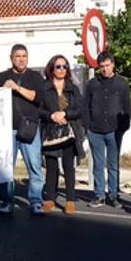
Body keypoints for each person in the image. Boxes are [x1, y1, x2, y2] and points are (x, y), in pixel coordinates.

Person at [0, 44, 46, 215]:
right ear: (11, 58)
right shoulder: (1, 77)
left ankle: (36, 200)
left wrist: (17, 88)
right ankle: (7, 201)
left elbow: (38, 98)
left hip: (30, 128)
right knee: (6, 168)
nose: (21, 59)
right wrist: (3, 89)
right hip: (7, 129)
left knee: (35, 167)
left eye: (24, 56)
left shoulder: (36, 77)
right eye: (17, 56)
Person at [38, 54, 86, 215]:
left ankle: (70, 200)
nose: (61, 69)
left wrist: (65, 113)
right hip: (50, 130)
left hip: (69, 130)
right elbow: (39, 109)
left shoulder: (73, 88)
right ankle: (50, 199)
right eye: (58, 66)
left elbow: (79, 109)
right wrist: (51, 115)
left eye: (65, 66)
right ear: (52, 68)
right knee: (51, 166)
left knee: (68, 166)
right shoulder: (44, 87)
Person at [85, 51, 131, 208]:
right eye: (102, 66)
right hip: (95, 130)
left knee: (113, 165)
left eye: (107, 65)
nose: (105, 69)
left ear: (113, 65)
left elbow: (127, 107)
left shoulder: (122, 83)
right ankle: (99, 195)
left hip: (115, 130)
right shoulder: (92, 83)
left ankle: (113, 195)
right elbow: (86, 106)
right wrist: (87, 127)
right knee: (98, 165)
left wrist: (124, 127)